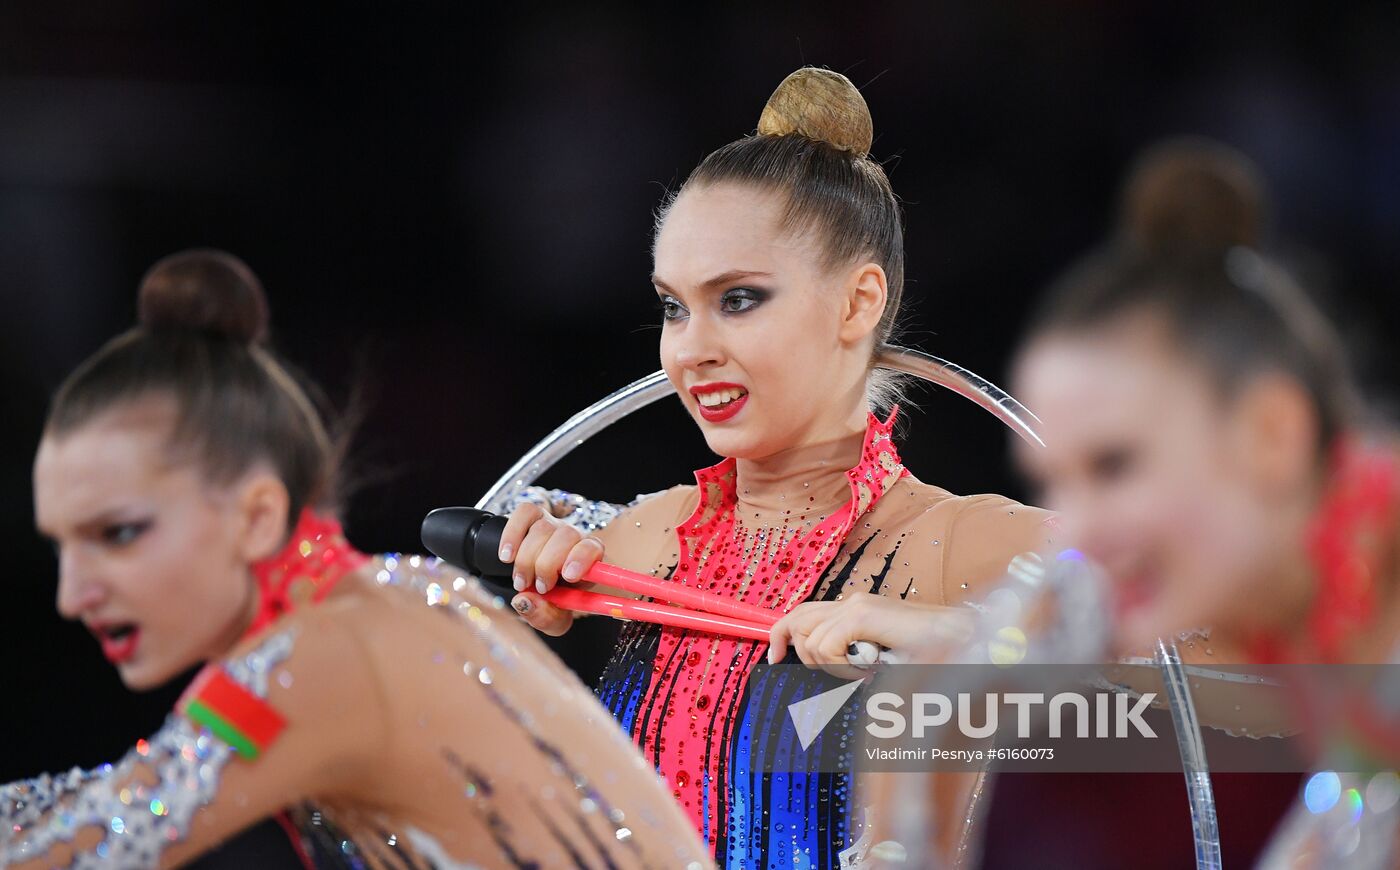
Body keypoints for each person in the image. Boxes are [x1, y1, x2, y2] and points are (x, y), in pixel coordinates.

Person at [494, 67, 1056, 868]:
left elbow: (1242, 690)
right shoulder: (642, 540)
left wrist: (951, 639)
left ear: (858, 304)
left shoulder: (959, 546)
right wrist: (540, 564)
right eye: (673, 306)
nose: (691, 349)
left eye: (740, 299)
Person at [2, 250, 712, 869]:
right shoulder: (396, 592)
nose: (73, 593)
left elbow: (95, 843)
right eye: (63, 544)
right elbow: (125, 791)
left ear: (254, 517)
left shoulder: (308, 661)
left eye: (119, 534)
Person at [1011, 139, 1399, 867]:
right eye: (1055, 480)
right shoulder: (1299, 625)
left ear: (1271, 435)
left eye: (1116, 466)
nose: (1075, 531)